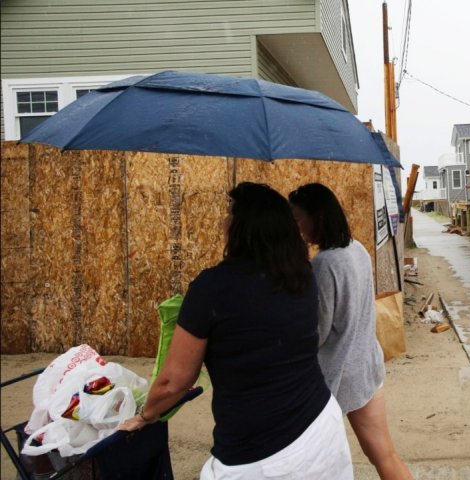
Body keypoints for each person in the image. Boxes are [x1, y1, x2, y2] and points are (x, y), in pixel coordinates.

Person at [120, 182, 353, 479]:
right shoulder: (302, 275)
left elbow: (173, 382)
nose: (223, 221)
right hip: (322, 428)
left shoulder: (212, 288)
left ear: (244, 226)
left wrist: (146, 415)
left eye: (231, 213)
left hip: (261, 458)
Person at [289, 183, 413, 480]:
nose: (297, 226)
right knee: (384, 455)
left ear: (316, 217)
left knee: (310, 462)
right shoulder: (356, 248)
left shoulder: (324, 265)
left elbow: (318, 332)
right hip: (367, 364)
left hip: (341, 374)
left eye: (298, 218)